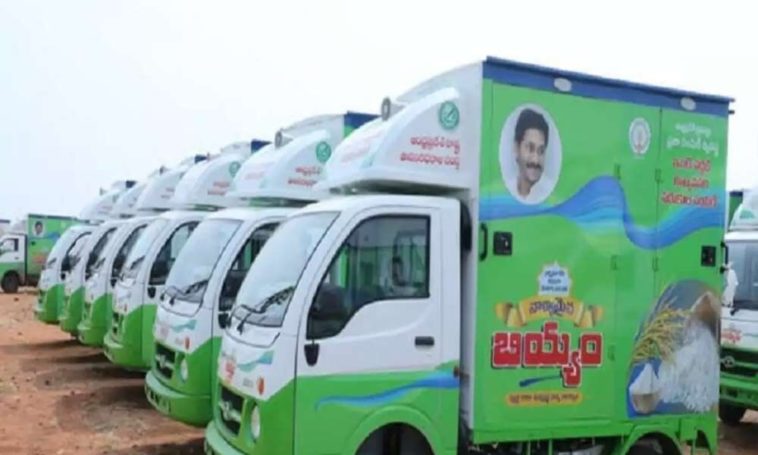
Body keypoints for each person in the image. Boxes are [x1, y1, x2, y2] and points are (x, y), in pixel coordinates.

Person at [512, 108, 554, 203]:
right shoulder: (501, 191)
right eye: (530, 148)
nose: (535, 160)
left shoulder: (551, 198)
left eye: (541, 151)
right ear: (516, 148)